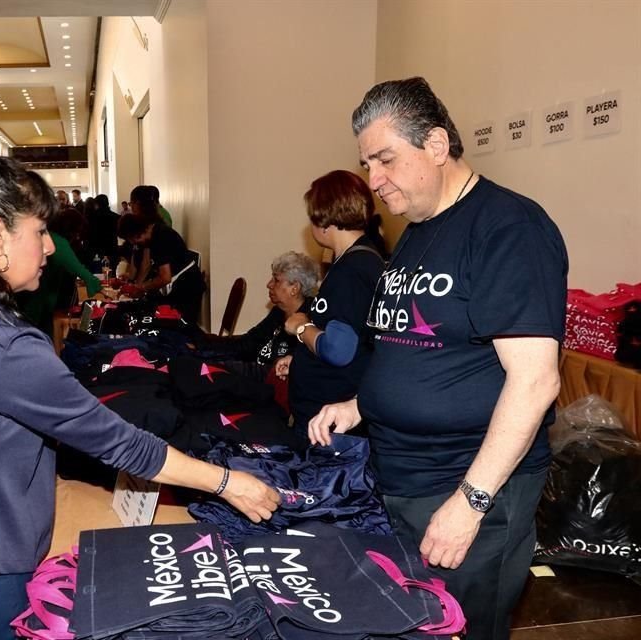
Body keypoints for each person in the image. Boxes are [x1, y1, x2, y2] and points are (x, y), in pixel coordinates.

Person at [0, 142, 279, 640]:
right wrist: (228, 482)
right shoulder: (5, 346)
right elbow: (121, 442)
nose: (52, 247)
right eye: (40, 232)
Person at [308, 77, 567, 640]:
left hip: (467, 490)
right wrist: (359, 404)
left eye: (385, 160)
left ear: (436, 145)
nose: (373, 182)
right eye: (367, 163)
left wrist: (469, 503)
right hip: (402, 479)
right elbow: (420, 345)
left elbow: (535, 381)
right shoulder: (418, 231)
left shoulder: (508, 227)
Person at [273, 170, 384, 440]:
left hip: (328, 421)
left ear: (324, 220)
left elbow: (338, 349)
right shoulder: (361, 259)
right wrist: (301, 357)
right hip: (327, 408)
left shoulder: (352, 270)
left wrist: (301, 327)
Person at [204, 251, 320, 371]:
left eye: (276, 280)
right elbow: (247, 344)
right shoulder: (278, 312)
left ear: (294, 288)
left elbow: (272, 372)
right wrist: (202, 349)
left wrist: (223, 367)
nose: (269, 284)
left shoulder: (307, 325)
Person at [16, 207, 102, 335]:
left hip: (35, 295)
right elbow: (78, 269)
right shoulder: (59, 242)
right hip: (36, 297)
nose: (78, 236)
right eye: (77, 232)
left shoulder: (50, 236)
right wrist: (96, 284)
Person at [117, 209, 206, 324]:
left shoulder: (160, 237)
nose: (134, 243)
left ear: (136, 233)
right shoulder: (156, 234)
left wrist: (141, 288)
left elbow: (165, 277)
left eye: (133, 240)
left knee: (171, 326)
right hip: (179, 284)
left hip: (186, 288)